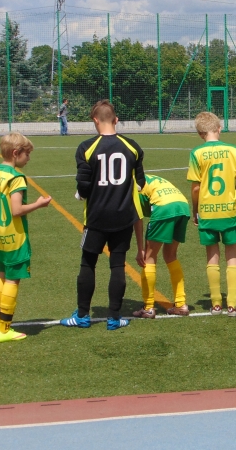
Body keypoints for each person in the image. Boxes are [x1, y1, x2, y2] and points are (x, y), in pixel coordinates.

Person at [60, 100, 145, 330]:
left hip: (96, 217)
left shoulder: (86, 147)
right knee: (118, 265)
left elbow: (83, 186)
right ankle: (114, 318)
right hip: (123, 217)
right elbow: (141, 184)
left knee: (88, 263)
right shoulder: (133, 147)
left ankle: (82, 315)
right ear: (116, 120)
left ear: (94, 120)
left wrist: (84, 193)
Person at [0, 132, 52, 342]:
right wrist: (39, 204)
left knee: (2, 274)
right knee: (13, 279)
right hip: (13, 236)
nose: (28, 159)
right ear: (16, 153)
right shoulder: (16, 177)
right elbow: (16, 210)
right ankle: (5, 328)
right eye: (27, 154)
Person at [187, 112, 236, 317]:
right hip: (229, 210)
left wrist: (195, 211)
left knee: (212, 257)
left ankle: (215, 304)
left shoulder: (196, 153)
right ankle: (232, 304)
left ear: (199, 133)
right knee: (233, 257)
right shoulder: (233, 150)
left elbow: (195, 188)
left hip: (207, 211)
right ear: (219, 128)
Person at [133, 173, 191, 319]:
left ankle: (148, 307)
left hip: (164, 206)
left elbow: (137, 219)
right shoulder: (147, 177)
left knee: (149, 257)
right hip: (182, 205)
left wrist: (140, 248)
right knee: (171, 255)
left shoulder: (131, 184)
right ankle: (181, 304)